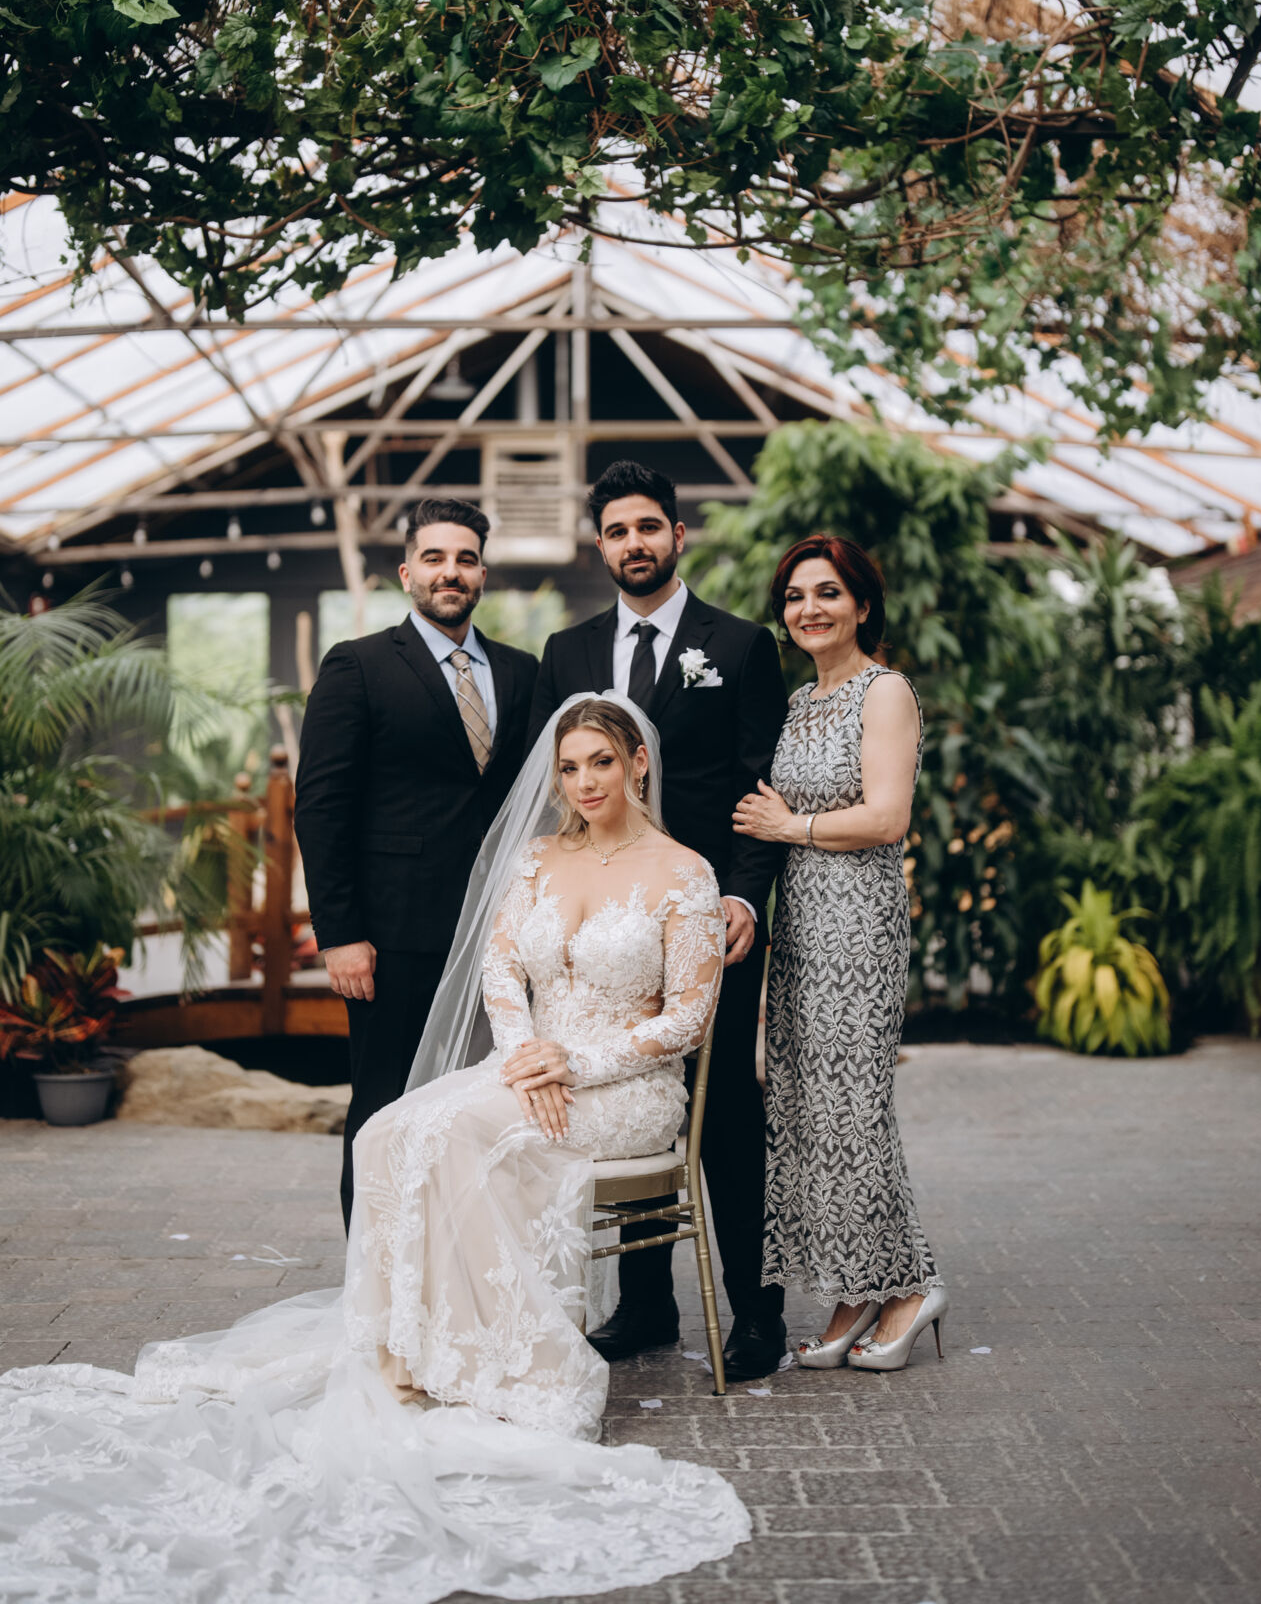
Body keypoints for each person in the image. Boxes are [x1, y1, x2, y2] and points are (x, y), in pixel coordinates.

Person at [0, 695, 751, 1599]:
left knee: (457, 1133)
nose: (584, 783)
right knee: (391, 1130)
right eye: (568, 767)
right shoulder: (538, 857)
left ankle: (511, 1365)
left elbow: (689, 1019)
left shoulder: (684, 872)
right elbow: (500, 970)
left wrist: (575, 1061)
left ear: (637, 762)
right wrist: (524, 1053)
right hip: (529, 1069)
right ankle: (408, 1349)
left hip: (623, 1088)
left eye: (600, 762)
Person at [528, 460, 789, 1380]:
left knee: (727, 1114)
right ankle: (645, 1307)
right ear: (598, 545)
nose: (632, 544)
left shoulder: (742, 646)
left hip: (713, 923)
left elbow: (764, 787)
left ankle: (756, 1310)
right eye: (616, 531)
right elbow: (554, 790)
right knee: (629, 1097)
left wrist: (744, 897)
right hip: (613, 925)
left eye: (647, 527)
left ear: (678, 535)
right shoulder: (565, 652)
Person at [733, 535, 948, 1372]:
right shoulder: (797, 702)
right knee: (811, 1110)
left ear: (862, 605)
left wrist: (791, 826)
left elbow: (888, 817)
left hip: (858, 926)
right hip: (800, 926)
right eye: (794, 596)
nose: (809, 609)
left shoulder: (883, 691)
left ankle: (911, 1287)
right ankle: (858, 1289)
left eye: (827, 592)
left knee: (855, 1109)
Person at [295, 496, 537, 1228]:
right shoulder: (359, 666)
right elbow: (321, 807)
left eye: (465, 559)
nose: (450, 572)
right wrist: (340, 934)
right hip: (392, 938)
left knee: (484, 1108)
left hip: (500, 936)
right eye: (434, 558)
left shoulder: (523, 673)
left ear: (483, 574)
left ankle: (461, 1262)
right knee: (383, 1108)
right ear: (407, 573)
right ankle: (374, 1273)